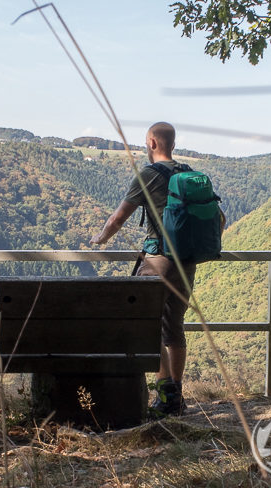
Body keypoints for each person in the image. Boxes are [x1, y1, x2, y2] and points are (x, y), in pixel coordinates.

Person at [90, 122, 208, 417]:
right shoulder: (189, 175)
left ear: (152, 143)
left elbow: (118, 219)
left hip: (158, 259)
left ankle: (165, 392)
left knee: (143, 322)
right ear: (173, 144)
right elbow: (217, 217)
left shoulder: (148, 175)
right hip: (187, 261)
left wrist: (99, 239)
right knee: (174, 327)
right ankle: (176, 396)